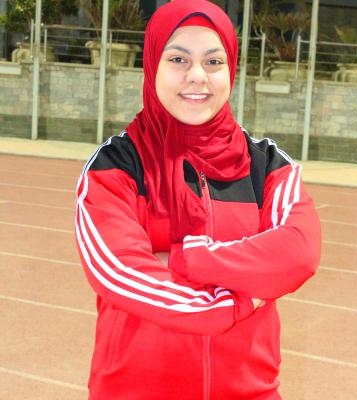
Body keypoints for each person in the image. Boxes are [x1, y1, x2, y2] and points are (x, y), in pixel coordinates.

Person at [75, 1, 321, 399]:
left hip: (250, 392)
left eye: (213, 61)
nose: (197, 76)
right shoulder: (115, 165)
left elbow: (298, 255)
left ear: (231, 70)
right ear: (152, 65)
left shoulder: (268, 165)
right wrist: (235, 303)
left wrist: (183, 258)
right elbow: (121, 274)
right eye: (178, 59)